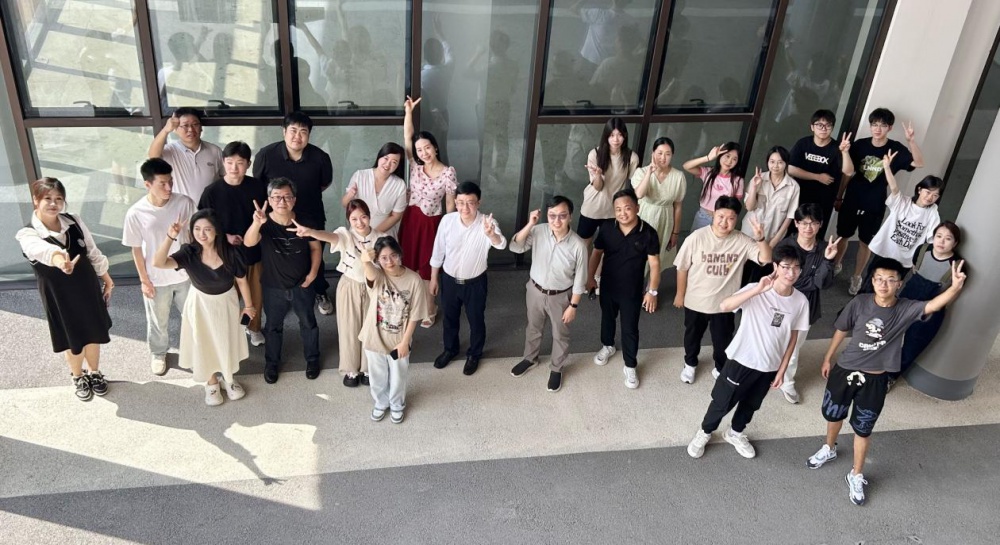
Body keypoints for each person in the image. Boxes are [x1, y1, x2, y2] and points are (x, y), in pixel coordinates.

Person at [806, 257, 966, 506]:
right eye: (879, 279)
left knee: (863, 428)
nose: (884, 284)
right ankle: (829, 448)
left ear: (899, 284)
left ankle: (856, 474)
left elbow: (932, 305)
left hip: (876, 379)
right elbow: (841, 328)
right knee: (833, 414)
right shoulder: (859, 302)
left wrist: (954, 288)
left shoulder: (905, 308)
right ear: (872, 281)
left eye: (890, 280)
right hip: (845, 370)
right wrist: (828, 357)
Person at [687, 245, 810, 459]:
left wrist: (782, 370)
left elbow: (793, 338)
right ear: (775, 266)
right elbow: (724, 306)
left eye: (796, 268)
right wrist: (757, 290)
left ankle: (735, 433)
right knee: (722, 401)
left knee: (752, 404)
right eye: (786, 267)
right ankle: (705, 431)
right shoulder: (757, 288)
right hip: (741, 360)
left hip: (770, 366)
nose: (791, 273)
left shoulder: (800, 301)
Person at [17, 178, 114, 401]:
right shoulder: (27, 234)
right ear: (36, 200)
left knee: (93, 331)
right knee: (72, 337)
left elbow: (92, 251)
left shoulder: (74, 221)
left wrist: (107, 279)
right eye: (47, 198)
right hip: (59, 294)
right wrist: (61, 261)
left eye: (58, 199)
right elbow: (42, 251)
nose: (54, 204)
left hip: (87, 287)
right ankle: (78, 376)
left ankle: (95, 372)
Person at [152, 210, 253, 406]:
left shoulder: (231, 252)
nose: (201, 234)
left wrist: (248, 306)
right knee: (203, 341)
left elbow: (242, 281)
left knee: (226, 339)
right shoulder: (188, 253)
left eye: (207, 229)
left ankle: (229, 378)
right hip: (200, 304)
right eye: (197, 229)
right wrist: (170, 237)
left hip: (227, 302)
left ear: (217, 231)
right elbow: (159, 262)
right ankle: (211, 382)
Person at [674, 196, 771, 384]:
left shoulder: (742, 240)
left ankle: (720, 367)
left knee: (723, 340)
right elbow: (682, 267)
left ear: (736, 219)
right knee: (692, 336)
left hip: (725, 305)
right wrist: (680, 294)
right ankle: (690, 363)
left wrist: (760, 238)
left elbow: (765, 259)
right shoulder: (696, 237)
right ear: (713, 214)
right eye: (720, 216)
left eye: (730, 218)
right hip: (696, 301)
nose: (724, 222)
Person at [288, 200, 384, 388]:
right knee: (349, 328)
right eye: (354, 219)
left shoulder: (381, 238)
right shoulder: (346, 235)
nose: (359, 222)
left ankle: (368, 368)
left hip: (374, 287)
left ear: (369, 216)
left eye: (363, 217)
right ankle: (351, 369)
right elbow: (330, 237)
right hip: (349, 286)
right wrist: (310, 232)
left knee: (372, 328)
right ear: (349, 220)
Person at [834, 108, 925, 294]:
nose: (877, 129)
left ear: (889, 128)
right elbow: (848, 172)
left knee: (865, 241)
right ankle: (836, 265)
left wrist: (911, 141)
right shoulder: (859, 145)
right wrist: (839, 195)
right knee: (843, 235)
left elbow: (918, 163)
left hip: (875, 202)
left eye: (882, 125)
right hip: (852, 198)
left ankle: (857, 276)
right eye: (874, 124)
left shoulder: (895, 148)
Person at [253, 112, 335, 316]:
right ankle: (282, 294)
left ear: (309, 135)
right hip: (277, 218)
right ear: (284, 132)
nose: (297, 136)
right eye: (293, 130)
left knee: (315, 254)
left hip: (311, 216)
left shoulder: (320, 158)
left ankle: (319, 291)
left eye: (303, 132)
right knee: (279, 256)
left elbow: (324, 183)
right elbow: (259, 185)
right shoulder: (266, 155)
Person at [243, 178, 323, 383]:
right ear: (269, 200)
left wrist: (313, 274)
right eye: (276, 197)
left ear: (294, 200)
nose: (282, 201)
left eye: (287, 197)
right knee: (273, 326)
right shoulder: (263, 223)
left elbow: (315, 248)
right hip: (273, 286)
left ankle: (312, 359)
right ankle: (271, 363)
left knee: (308, 322)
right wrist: (256, 223)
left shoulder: (306, 220)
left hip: (302, 284)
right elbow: (249, 243)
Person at [122, 158, 196, 375]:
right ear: (148, 184)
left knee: (193, 317)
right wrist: (144, 280)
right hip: (156, 278)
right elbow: (136, 249)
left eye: (170, 181)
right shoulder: (136, 212)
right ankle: (158, 353)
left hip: (186, 275)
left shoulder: (184, 202)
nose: (169, 187)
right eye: (162, 183)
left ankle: (194, 352)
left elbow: (195, 235)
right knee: (158, 321)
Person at [509, 196, 589, 392]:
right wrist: (530, 223)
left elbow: (580, 280)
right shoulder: (538, 230)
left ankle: (556, 368)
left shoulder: (578, 245)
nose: (557, 221)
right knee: (533, 327)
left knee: (560, 334)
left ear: (570, 216)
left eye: (562, 216)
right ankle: (530, 358)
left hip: (561, 296)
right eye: (552, 216)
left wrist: (573, 306)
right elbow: (515, 246)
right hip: (535, 290)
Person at [430, 181, 507, 375]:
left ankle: (474, 354)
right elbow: (438, 251)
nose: (465, 207)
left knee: (476, 319)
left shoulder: (487, 223)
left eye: (470, 203)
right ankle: (450, 349)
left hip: (475, 283)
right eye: (461, 202)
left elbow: (501, 244)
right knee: (449, 318)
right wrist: (433, 278)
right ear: (455, 202)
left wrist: (491, 234)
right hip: (449, 280)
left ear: (478, 203)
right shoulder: (447, 221)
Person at [586, 190, 660, 389]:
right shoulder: (607, 228)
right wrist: (590, 278)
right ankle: (608, 346)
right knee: (607, 318)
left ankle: (630, 364)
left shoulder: (648, 232)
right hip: (608, 286)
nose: (622, 213)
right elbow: (596, 254)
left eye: (627, 208)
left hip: (632, 291)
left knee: (630, 328)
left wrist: (652, 291)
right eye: (618, 209)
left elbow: (654, 265)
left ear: (637, 208)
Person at [198, 141, 267, 347]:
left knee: (254, 295)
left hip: (252, 252)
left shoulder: (257, 187)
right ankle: (227, 332)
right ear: (223, 162)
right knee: (227, 297)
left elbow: (267, 218)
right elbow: (202, 224)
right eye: (229, 162)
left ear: (248, 164)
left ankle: (253, 328)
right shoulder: (212, 191)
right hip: (223, 255)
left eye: (240, 163)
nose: (234, 168)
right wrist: (224, 236)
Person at [399, 96, 457, 328]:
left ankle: (430, 307)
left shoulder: (448, 173)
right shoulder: (415, 166)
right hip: (410, 220)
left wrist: (449, 230)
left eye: (427, 148)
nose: (423, 152)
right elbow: (407, 137)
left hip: (431, 224)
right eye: (419, 149)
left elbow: (450, 204)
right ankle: (411, 303)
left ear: (435, 147)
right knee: (408, 264)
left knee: (426, 266)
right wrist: (408, 113)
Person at [773, 204, 841, 403]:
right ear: (796, 223)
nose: (808, 228)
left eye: (813, 223)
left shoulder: (825, 249)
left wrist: (828, 260)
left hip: (806, 307)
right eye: (804, 223)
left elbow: (823, 284)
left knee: (794, 348)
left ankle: (787, 381)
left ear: (820, 225)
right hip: (780, 302)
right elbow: (784, 278)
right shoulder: (786, 246)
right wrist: (810, 280)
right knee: (771, 339)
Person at [358, 236, 430, 424]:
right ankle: (380, 402)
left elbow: (415, 314)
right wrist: (365, 261)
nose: (389, 261)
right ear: (377, 259)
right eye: (383, 258)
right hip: (374, 335)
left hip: (399, 339)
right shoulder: (377, 274)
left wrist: (405, 342)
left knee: (399, 375)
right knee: (377, 375)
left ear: (400, 254)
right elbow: (370, 274)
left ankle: (397, 403)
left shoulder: (414, 279)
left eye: (393, 255)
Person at [858, 150, 942, 293]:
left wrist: (922, 261)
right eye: (928, 192)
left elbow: (933, 238)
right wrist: (886, 167)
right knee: (870, 284)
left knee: (889, 290)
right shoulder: (903, 202)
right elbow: (894, 187)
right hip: (885, 252)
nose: (930, 198)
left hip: (905, 259)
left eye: (935, 195)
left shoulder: (932, 213)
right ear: (920, 190)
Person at [891, 221, 964, 386]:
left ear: (955, 243)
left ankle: (891, 376)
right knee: (890, 331)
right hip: (908, 298)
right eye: (939, 236)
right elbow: (914, 270)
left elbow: (952, 295)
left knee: (914, 342)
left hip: (932, 307)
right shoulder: (922, 250)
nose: (941, 241)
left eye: (948, 238)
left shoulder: (957, 266)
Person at [787, 109, 853, 240]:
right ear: (812, 127)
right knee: (793, 231)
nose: (824, 128)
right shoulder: (803, 143)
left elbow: (849, 171)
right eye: (819, 125)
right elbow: (791, 169)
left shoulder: (837, 148)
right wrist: (817, 177)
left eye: (828, 125)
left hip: (824, 200)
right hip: (800, 196)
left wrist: (845, 152)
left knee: (815, 234)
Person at [741, 146, 800, 283]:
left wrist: (774, 240)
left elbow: (789, 217)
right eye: (772, 162)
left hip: (771, 236)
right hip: (749, 234)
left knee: (759, 275)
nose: (775, 166)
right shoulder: (759, 178)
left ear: (786, 163)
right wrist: (754, 187)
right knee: (742, 271)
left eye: (780, 162)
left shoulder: (793, 187)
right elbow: (749, 207)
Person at [579, 117, 639, 244]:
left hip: (613, 211)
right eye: (612, 135)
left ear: (625, 136)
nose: (616, 139)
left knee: (605, 247)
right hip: (592, 206)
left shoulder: (631, 157)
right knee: (583, 245)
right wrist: (598, 175)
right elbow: (598, 187)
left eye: (619, 135)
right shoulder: (595, 154)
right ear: (606, 136)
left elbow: (634, 183)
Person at [148, 107, 224, 202]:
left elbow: (224, 178)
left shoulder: (215, 151)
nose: (190, 129)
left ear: (201, 128)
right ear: (175, 129)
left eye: (195, 124)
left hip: (210, 208)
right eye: (185, 125)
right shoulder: (170, 150)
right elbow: (153, 156)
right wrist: (166, 130)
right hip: (181, 208)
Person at [633, 136, 686, 272]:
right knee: (638, 257)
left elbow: (678, 206)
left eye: (667, 154)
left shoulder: (678, 176)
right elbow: (639, 194)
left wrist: (675, 233)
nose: (663, 158)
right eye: (659, 153)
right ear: (653, 153)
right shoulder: (641, 172)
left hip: (665, 221)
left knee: (658, 258)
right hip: (644, 217)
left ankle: (652, 284)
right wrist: (649, 173)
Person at [341, 142, 407, 239]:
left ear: (398, 166)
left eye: (394, 162)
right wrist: (350, 195)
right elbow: (345, 204)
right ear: (379, 156)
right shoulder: (360, 176)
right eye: (386, 158)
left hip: (384, 236)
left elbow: (396, 216)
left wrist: (373, 234)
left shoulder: (399, 185)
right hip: (358, 234)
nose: (388, 164)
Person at [682, 142, 745, 232]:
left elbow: (734, 207)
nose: (729, 161)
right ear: (720, 155)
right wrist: (708, 157)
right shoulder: (708, 172)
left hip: (722, 221)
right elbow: (686, 166)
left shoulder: (738, 180)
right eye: (727, 156)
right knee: (695, 240)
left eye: (734, 159)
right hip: (703, 217)